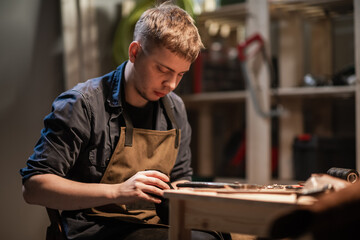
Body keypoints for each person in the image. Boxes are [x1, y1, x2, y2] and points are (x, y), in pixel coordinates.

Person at [20, 3, 229, 240]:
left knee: (222, 235)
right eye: (162, 69)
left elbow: (180, 179)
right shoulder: (82, 104)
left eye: (180, 74)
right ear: (135, 52)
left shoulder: (175, 109)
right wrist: (118, 191)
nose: (171, 85)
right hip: (95, 228)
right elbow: (34, 187)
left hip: (156, 223)